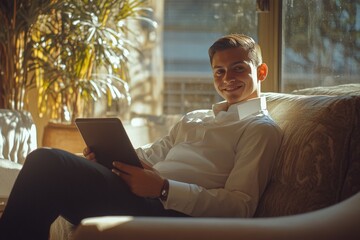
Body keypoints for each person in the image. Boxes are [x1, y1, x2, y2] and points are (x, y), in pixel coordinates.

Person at [0, 33, 282, 239]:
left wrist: (163, 188)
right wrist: (111, 160)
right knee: (51, 169)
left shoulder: (260, 128)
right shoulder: (196, 118)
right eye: (219, 71)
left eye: (238, 69)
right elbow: (150, 153)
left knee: (48, 163)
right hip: (138, 194)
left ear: (261, 71)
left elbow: (240, 206)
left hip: (171, 214)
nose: (227, 78)